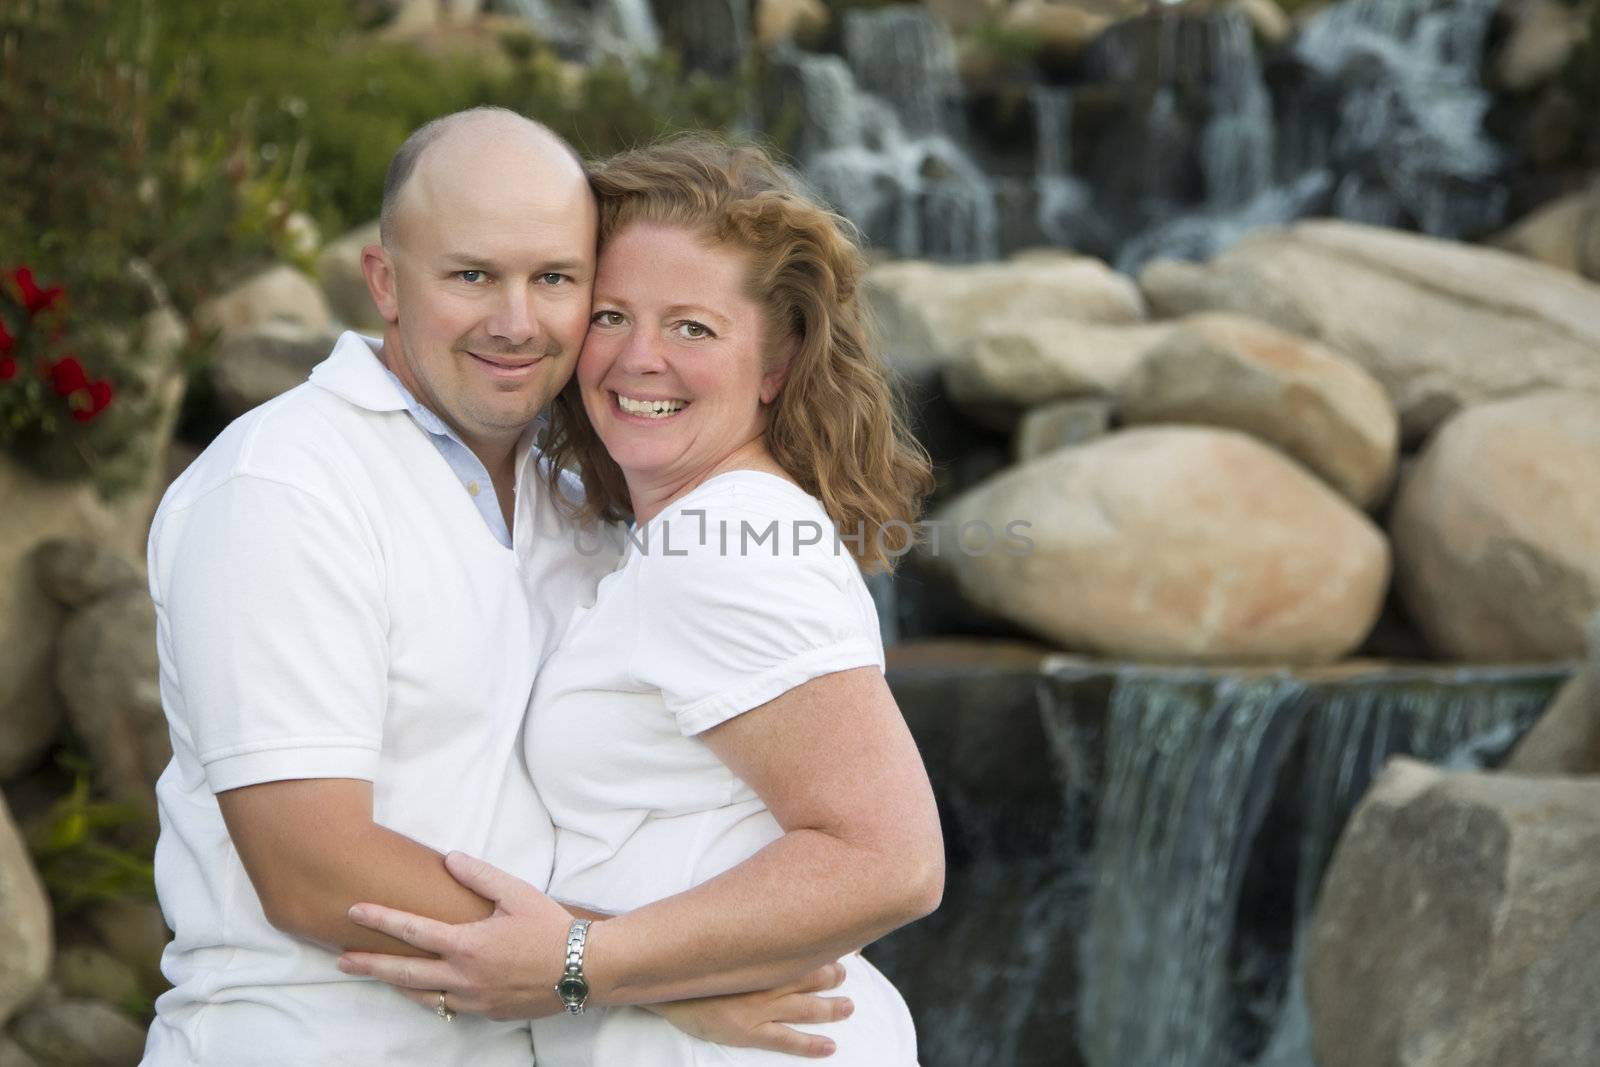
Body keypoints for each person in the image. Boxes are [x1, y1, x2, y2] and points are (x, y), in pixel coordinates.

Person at [141, 109, 858, 1067]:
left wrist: (612, 972)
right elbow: (309, 867)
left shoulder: (588, 505)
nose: (517, 322)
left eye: (555, 279)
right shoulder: (282, 484)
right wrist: (635, 971)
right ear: (386, 282)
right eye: (473, 275)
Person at [333, 136, 946, 1064]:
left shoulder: (721, 543)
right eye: (612, 315)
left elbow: (892, 860)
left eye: (693, 328)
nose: (638, 359)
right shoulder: (665, 532)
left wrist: (581, 962)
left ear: (775, 366)